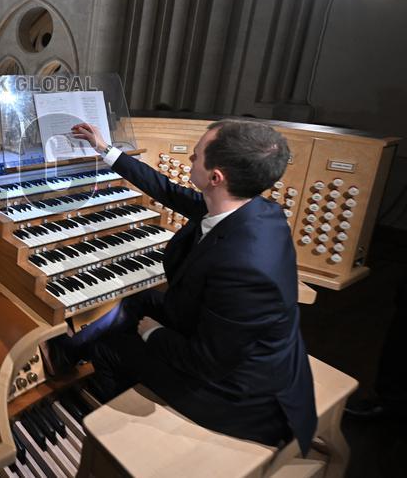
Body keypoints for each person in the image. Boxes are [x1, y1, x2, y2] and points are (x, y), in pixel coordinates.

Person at [58, 119, 317, 454]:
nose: (189, 160)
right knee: (139, 301)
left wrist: (153, 333)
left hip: (237, 394)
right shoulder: (252, 207)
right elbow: (169, 191)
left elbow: (206, 363)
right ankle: (65, 353)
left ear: (216, 178)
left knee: (111, 349)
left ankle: (110, 444)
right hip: (225, 344)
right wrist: (105, 150)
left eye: (195, 157)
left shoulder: (247, 268)